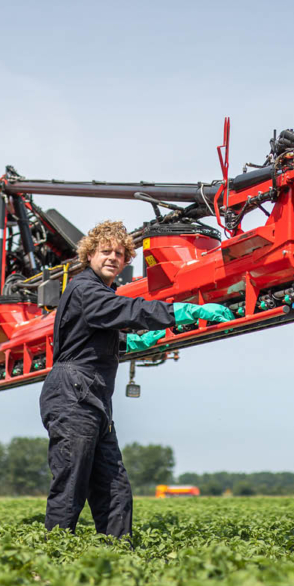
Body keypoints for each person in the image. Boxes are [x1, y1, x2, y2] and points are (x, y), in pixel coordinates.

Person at [39, 220, 234, 538]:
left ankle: (118, 556)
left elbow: (94, 337)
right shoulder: (85, 288)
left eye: (120, 253)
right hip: (73, 394)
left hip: (94, 397)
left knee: (114, 488)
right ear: (89, 255)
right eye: (105, 251)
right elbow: (126, 309)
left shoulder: (100, 293)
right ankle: (50, 557)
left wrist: (133, 343)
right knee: (71, 481)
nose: (113, 258)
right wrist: (180, 312)